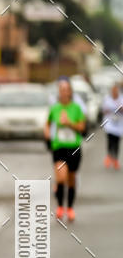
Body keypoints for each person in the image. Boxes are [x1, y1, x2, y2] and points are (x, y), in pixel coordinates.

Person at [44, 78, 86, 222]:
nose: (63, 92)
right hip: (59, 147)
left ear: (70, 92)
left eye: (66, 89)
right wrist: (47, 134)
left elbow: (82, 127)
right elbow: (48, 123)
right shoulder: (55, 108)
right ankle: (60, 206)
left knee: (71, 179)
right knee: (61, 177)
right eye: (61, 90)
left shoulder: (76, 108)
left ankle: (70, 208)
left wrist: (69, 123)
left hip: (74, 147)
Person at [101, 84, 123, 170]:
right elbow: (103, 110)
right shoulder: (107, 99)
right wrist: (108, 110)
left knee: (116, 142)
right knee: (110, 141)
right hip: (109, 124)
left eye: (116, 91)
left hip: (119, 124)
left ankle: (115, 159)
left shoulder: (121, 99)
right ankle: (109, 156)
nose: (114, 93)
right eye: (113, 91)